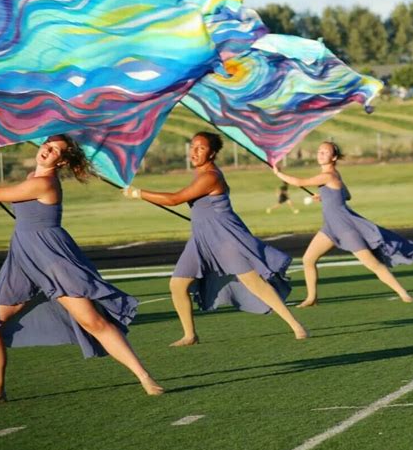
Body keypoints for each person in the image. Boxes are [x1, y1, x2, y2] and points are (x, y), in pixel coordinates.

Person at [0, 135, 163, 406]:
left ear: (62, 160)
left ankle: (145, 376)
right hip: (23, 259)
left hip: (52, 257)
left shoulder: (44, 183)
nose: (47, 150)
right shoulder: (34, 176)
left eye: (55, 150)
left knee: (93, 322)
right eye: (47, 145)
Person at [123, 131, 308, 346]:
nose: (194, 152)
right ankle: (190, 335)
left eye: (201, 148)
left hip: (225, 236)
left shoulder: (211, 176)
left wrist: (138, 193)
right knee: (177, 284)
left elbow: (174, 199)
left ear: (212, 153)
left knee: (254, 282)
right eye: (192, 147)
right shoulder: (201, 174)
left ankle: (296, 325)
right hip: (202, 239)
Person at [272, 141, 413, 307]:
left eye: (325, 152)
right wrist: (325, 195)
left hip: (345, 228)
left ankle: (403, 294)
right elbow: (347, 195)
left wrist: (278, 173)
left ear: (334, 157)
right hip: (330, 228)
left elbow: (298, 182)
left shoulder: (329, 175)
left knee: (373, 264)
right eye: (319, 151)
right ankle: (312, 298)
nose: (320, 154)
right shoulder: (333, 176)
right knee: (308, 259)